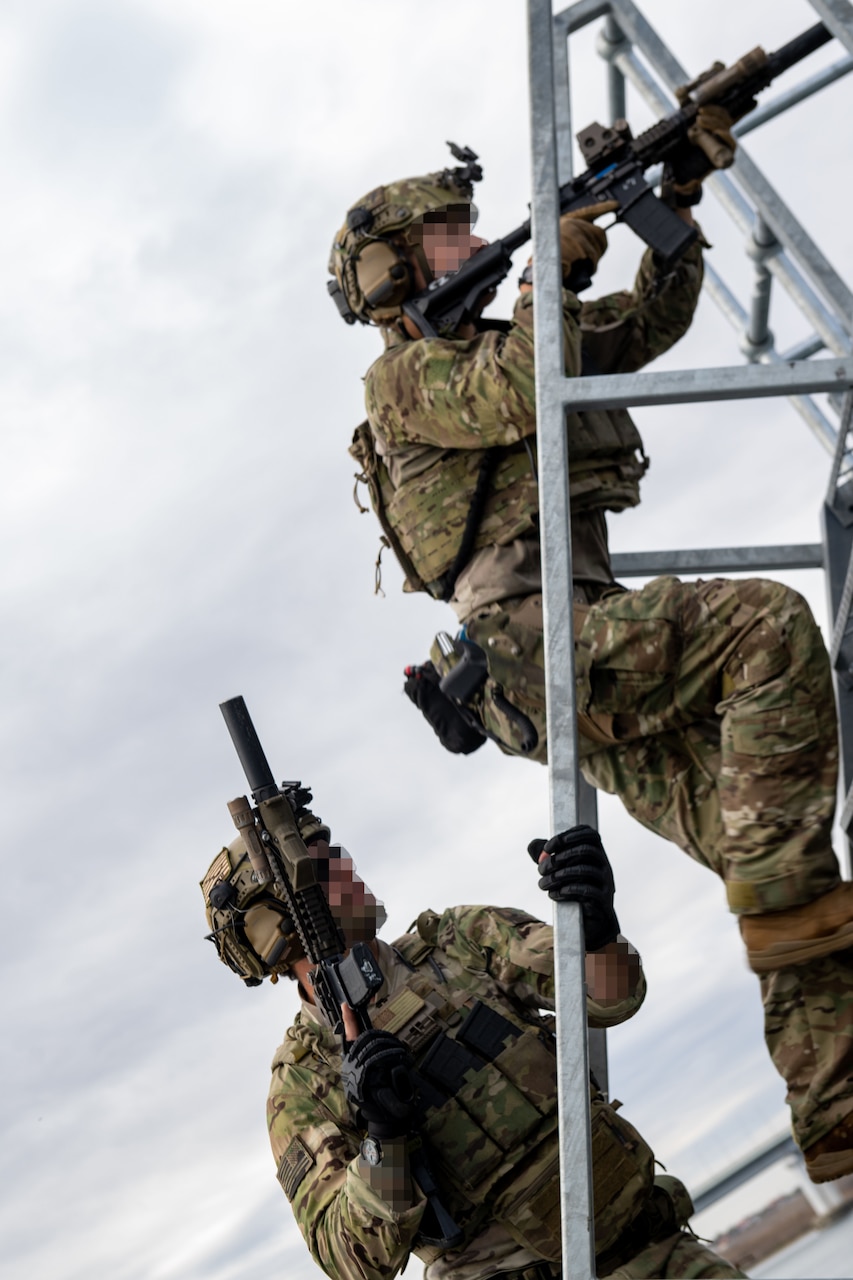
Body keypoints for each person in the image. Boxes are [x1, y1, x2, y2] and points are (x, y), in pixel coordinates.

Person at [403, 573, 853, 1184]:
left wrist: (476, 706)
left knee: (765, 854)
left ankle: (838, 1108)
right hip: (541, 652)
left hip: (537, 681)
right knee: (764, 625)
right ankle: (838, 1102)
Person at [202, 817, 746, 1280]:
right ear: (279, 927)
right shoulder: (302, 1083)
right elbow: (351, 1261)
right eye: (325, 867)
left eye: (338, 852)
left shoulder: (458, 941)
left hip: (655, 1251)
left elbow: (612, 997)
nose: (348, 866)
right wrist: (384, 1141)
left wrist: (598, 930)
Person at [328, 115, 730, 613]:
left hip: (583, 601)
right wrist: (544, 278)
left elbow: (652, 319)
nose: (473, 247)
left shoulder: (513, 339)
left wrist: (680, 198)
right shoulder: (395, 382)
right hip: (521, 625)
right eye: (447, 238)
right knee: (771, 622)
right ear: (388, 273)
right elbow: (524, 388)